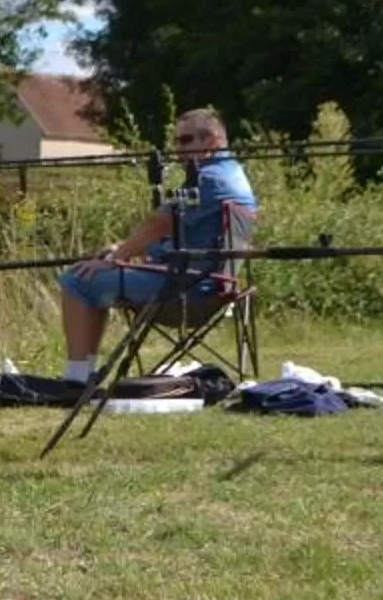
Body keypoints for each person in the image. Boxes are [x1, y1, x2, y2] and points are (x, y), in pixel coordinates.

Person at [52, 106, 256, 392]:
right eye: (175, 142)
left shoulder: (209, 179)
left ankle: (76, 378)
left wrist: (115, 257)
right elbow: (177, 231)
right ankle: (85, 375)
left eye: (185, 141)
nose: (177, 149)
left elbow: (157, 224)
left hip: (186, 290)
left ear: (210, 141)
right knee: (94, 280)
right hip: (212, 285)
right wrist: (122, 249)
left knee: (77, 280)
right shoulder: (232, 174)